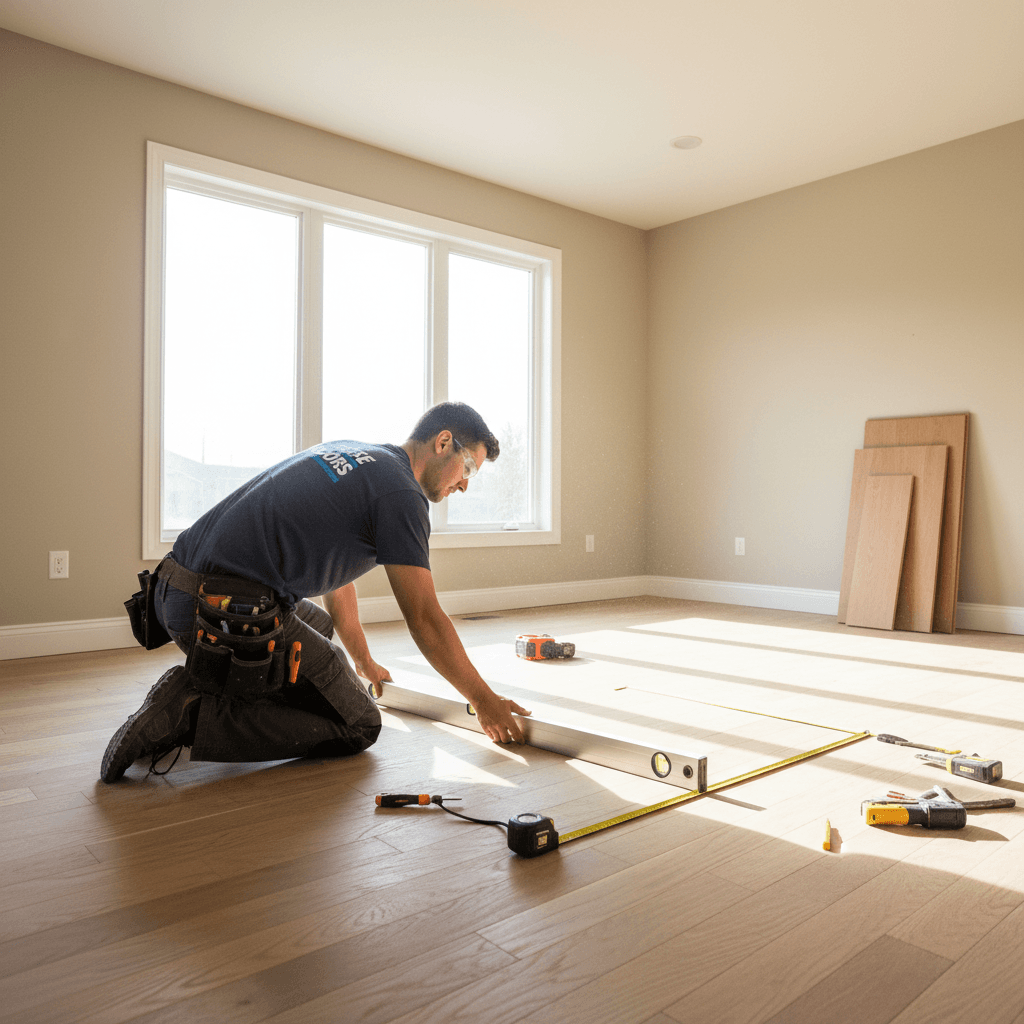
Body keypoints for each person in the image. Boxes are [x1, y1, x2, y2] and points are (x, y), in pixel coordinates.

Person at [101, 401, 531, 782]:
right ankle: (193, 710)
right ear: (443, 442)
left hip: (174, 589)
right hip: (220, 609)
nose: (466, 484)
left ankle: (213, 689)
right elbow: (424, 619)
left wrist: (362, 660)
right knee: (358, 723)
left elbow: (336, 572)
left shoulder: (360, 455)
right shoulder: (401, 494)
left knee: (322, 631)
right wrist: (484, 701)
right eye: (469, 468)